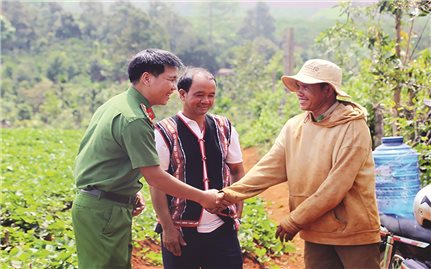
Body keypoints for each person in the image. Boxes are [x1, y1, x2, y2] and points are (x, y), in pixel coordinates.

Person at [219, 59, 381, 269]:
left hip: (353, 231)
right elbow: (268, 168)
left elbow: (335, 187)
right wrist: (230, 194)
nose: (299, 91)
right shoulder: (294, 126)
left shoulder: (353, 127)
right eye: (298, 86)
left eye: (306, 86)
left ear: (327, 90)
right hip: (315, 228)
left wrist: (294, 220)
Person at [72, 49, 223, 269]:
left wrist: (129, 190)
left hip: (102, 205)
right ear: (147, 78)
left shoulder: (117, 104)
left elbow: (100, 156)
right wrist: (202, 197)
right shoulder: (134, 118)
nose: (174, 87)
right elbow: (156, 177)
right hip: (104, 211)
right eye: (170, 80)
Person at [150, 67, 245, 269]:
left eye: (211, 95)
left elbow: (237, 171)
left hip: (222, 227)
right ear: (182, 94)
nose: (206, 101)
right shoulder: (165, 132)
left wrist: (238, 213)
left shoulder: (224, 127)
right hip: (181, 231)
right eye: (199, 95)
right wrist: (167, 227)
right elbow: (157, 184)